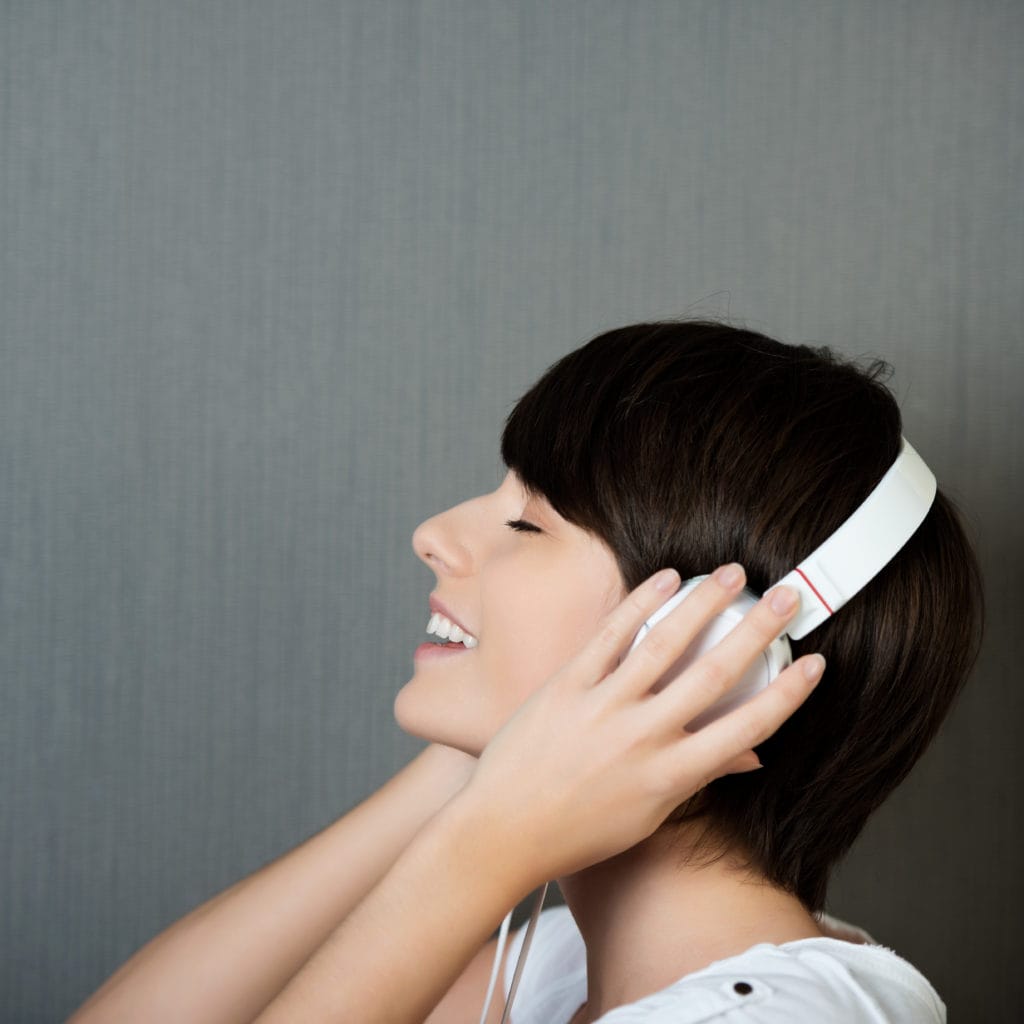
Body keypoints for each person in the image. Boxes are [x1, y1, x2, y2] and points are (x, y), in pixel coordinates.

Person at [70, 320, 983, 1023]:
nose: (435, 534)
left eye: (527, 523)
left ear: (718, 655)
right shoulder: (560, 967)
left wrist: (484, 849)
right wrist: (470, 784)